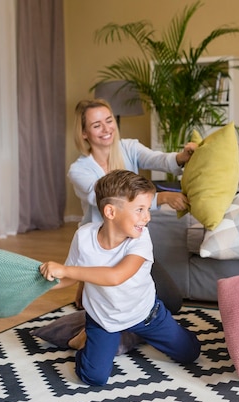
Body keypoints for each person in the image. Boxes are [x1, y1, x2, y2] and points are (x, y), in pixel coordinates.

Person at [40, 170, 201, 386]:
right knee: (93, 377)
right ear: (110, 212)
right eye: (140, 210)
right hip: (104, 319)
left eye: (147, 209)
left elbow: (116, 277)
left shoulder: (140, 238)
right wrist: (43, 282)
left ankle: (134, 334)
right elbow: (67, 276)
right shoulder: (84, 236)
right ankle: (89, 337)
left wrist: (66, 271)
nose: (147, 217)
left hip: (145, 314)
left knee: (190, 353)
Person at [69, 98, 196, 313]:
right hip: (101, 250)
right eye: (96, 125)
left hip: (129, 245)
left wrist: (183, 156)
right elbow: (107, 200)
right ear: (84, 133)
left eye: (109, 121)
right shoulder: (79, 170)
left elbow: (159, 160)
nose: (106, 129)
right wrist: (162, 198)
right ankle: (93, 288)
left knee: (171, 301)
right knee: (113, 304)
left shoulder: (129, 147)